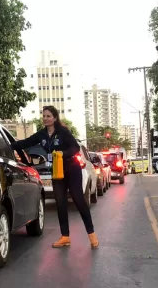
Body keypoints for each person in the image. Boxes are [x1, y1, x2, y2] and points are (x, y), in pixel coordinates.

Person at [12, 106, 98, 249]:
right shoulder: (42, 135)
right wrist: (8, 145)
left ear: (55, 118)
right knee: (60, 203)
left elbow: (75, 148)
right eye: (44, 116)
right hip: (57, 171)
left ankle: (92, 235)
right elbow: (25, 143)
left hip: (72, 169)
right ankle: (65, 237)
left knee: (79, 200)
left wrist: (62, 153)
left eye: (48, 116)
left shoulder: (63, 132)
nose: (45, 118)